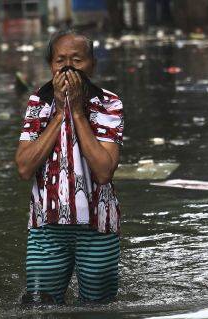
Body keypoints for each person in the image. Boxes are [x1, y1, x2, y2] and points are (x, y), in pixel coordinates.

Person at [14, 30, 124, 304]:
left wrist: (76, 111)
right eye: (60, 60)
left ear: (92, 65)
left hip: (98, 227)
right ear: (51, 65)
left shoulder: (109, 104)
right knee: (41, 311)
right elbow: (24, 168)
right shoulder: (38, 103)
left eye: (76, 60)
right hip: (46, 227)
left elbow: (103, 172)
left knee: (98, 315)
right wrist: (60, 113)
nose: (67, 67)